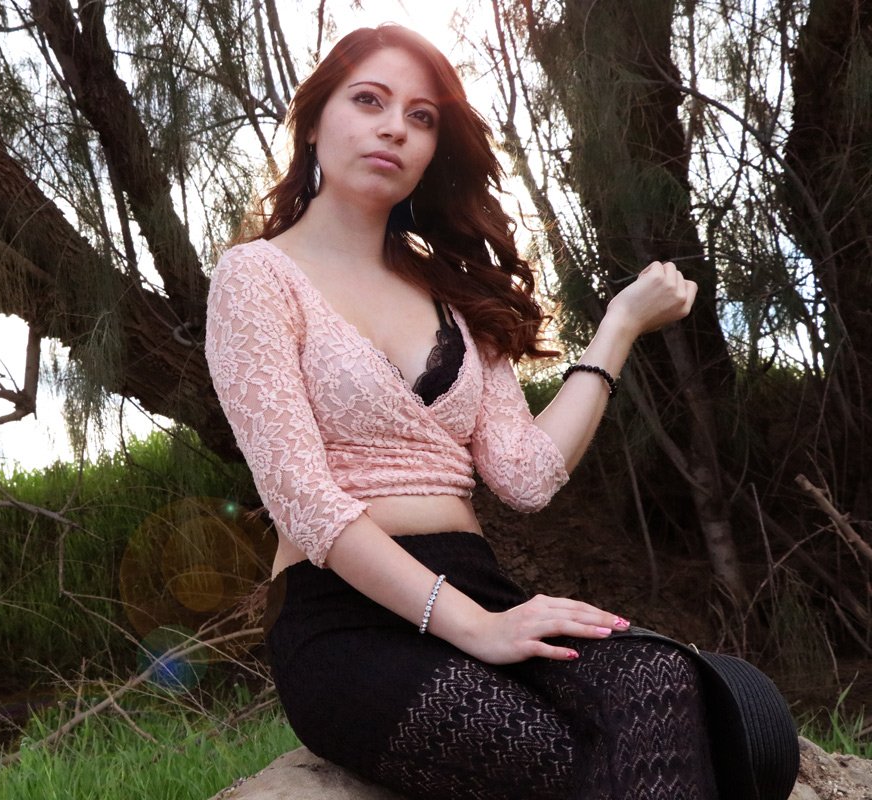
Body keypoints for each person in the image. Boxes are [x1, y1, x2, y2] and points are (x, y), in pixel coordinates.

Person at [204, 23, 715, 800]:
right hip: (345, 616)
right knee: (552, 757)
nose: (394, 128)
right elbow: (301, 498)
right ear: (312, 123)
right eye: (369, 101)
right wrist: (475, 628)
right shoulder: (257, 276)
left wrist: (618, 327)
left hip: (480, 586)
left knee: (658, 681)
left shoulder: (456, 292)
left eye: (421, 117)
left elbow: (525, 474)